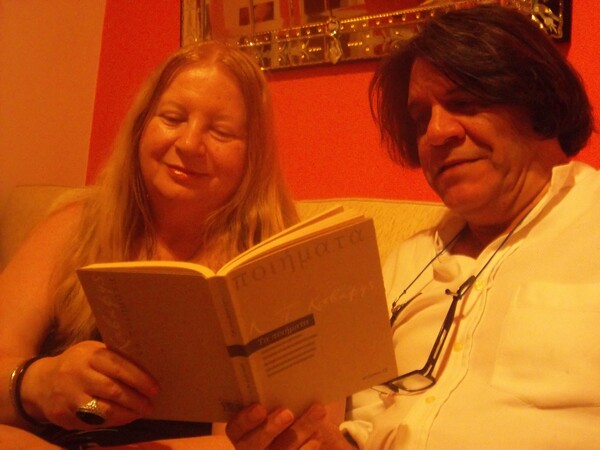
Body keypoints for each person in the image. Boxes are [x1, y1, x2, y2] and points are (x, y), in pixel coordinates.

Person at [225, 4, 600, 449]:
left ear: (539, 100)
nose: (437, 133)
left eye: (464, 103)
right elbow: (362, 423)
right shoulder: (404, 264)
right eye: (421, 119)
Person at [0, 40, 298, 448]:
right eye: (173, 118)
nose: (189, 144)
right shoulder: (71, 229)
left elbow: (247, 440)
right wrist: (39, 382)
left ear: (253, 155)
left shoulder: (272, 262)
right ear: (142, 126)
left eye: (220, 132)